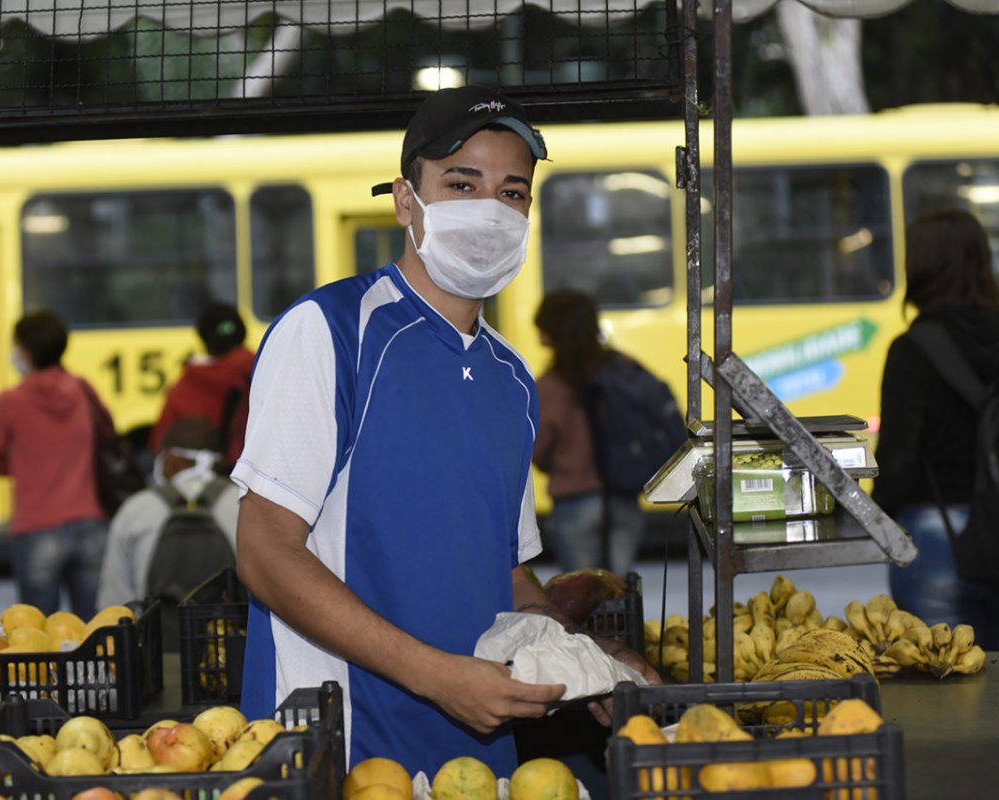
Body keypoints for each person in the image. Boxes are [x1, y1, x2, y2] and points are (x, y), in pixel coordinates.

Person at [230, 85, 659, 778]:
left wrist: (589, 659)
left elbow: (509, 576)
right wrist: (439, 678)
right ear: (407, 202)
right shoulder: (332, 333)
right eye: (462, 183)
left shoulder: (512, 378)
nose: (489, 209)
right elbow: (264, 553)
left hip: (473, 760)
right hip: (338, 755)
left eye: (512, 192)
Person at [873, 208, 999, 651]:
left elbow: (898, 460)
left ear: (919, 268)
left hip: (937, 533)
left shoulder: (911, 352)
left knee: (944, 689)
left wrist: (873, 521)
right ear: (982, 263)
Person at [0, 309, 108, 619]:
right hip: (90, 524)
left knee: (36, 636)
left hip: (37, 529)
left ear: (24, 351)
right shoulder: (81, 389)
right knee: (95, 630)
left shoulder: (11, 400)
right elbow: (108, 433)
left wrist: (22, 463)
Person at [532, 288, 647, 577]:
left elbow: (539, 450)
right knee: (619, 593)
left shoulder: (551, 386)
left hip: (575, 503)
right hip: (624, 498)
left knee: (583, 597)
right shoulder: (623, 369)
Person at [97, 415, 240, 610]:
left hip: (159, 637)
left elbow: (114, 601)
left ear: (171, 461)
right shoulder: (243, 504)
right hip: (231, 636)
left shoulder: (136, 509)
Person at [150, 302, 254, 471]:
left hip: (202, 483)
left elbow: (159, 444)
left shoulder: (185, 387)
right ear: (242, 334)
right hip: (253, 481)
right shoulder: (264, 371)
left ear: (204, 339)